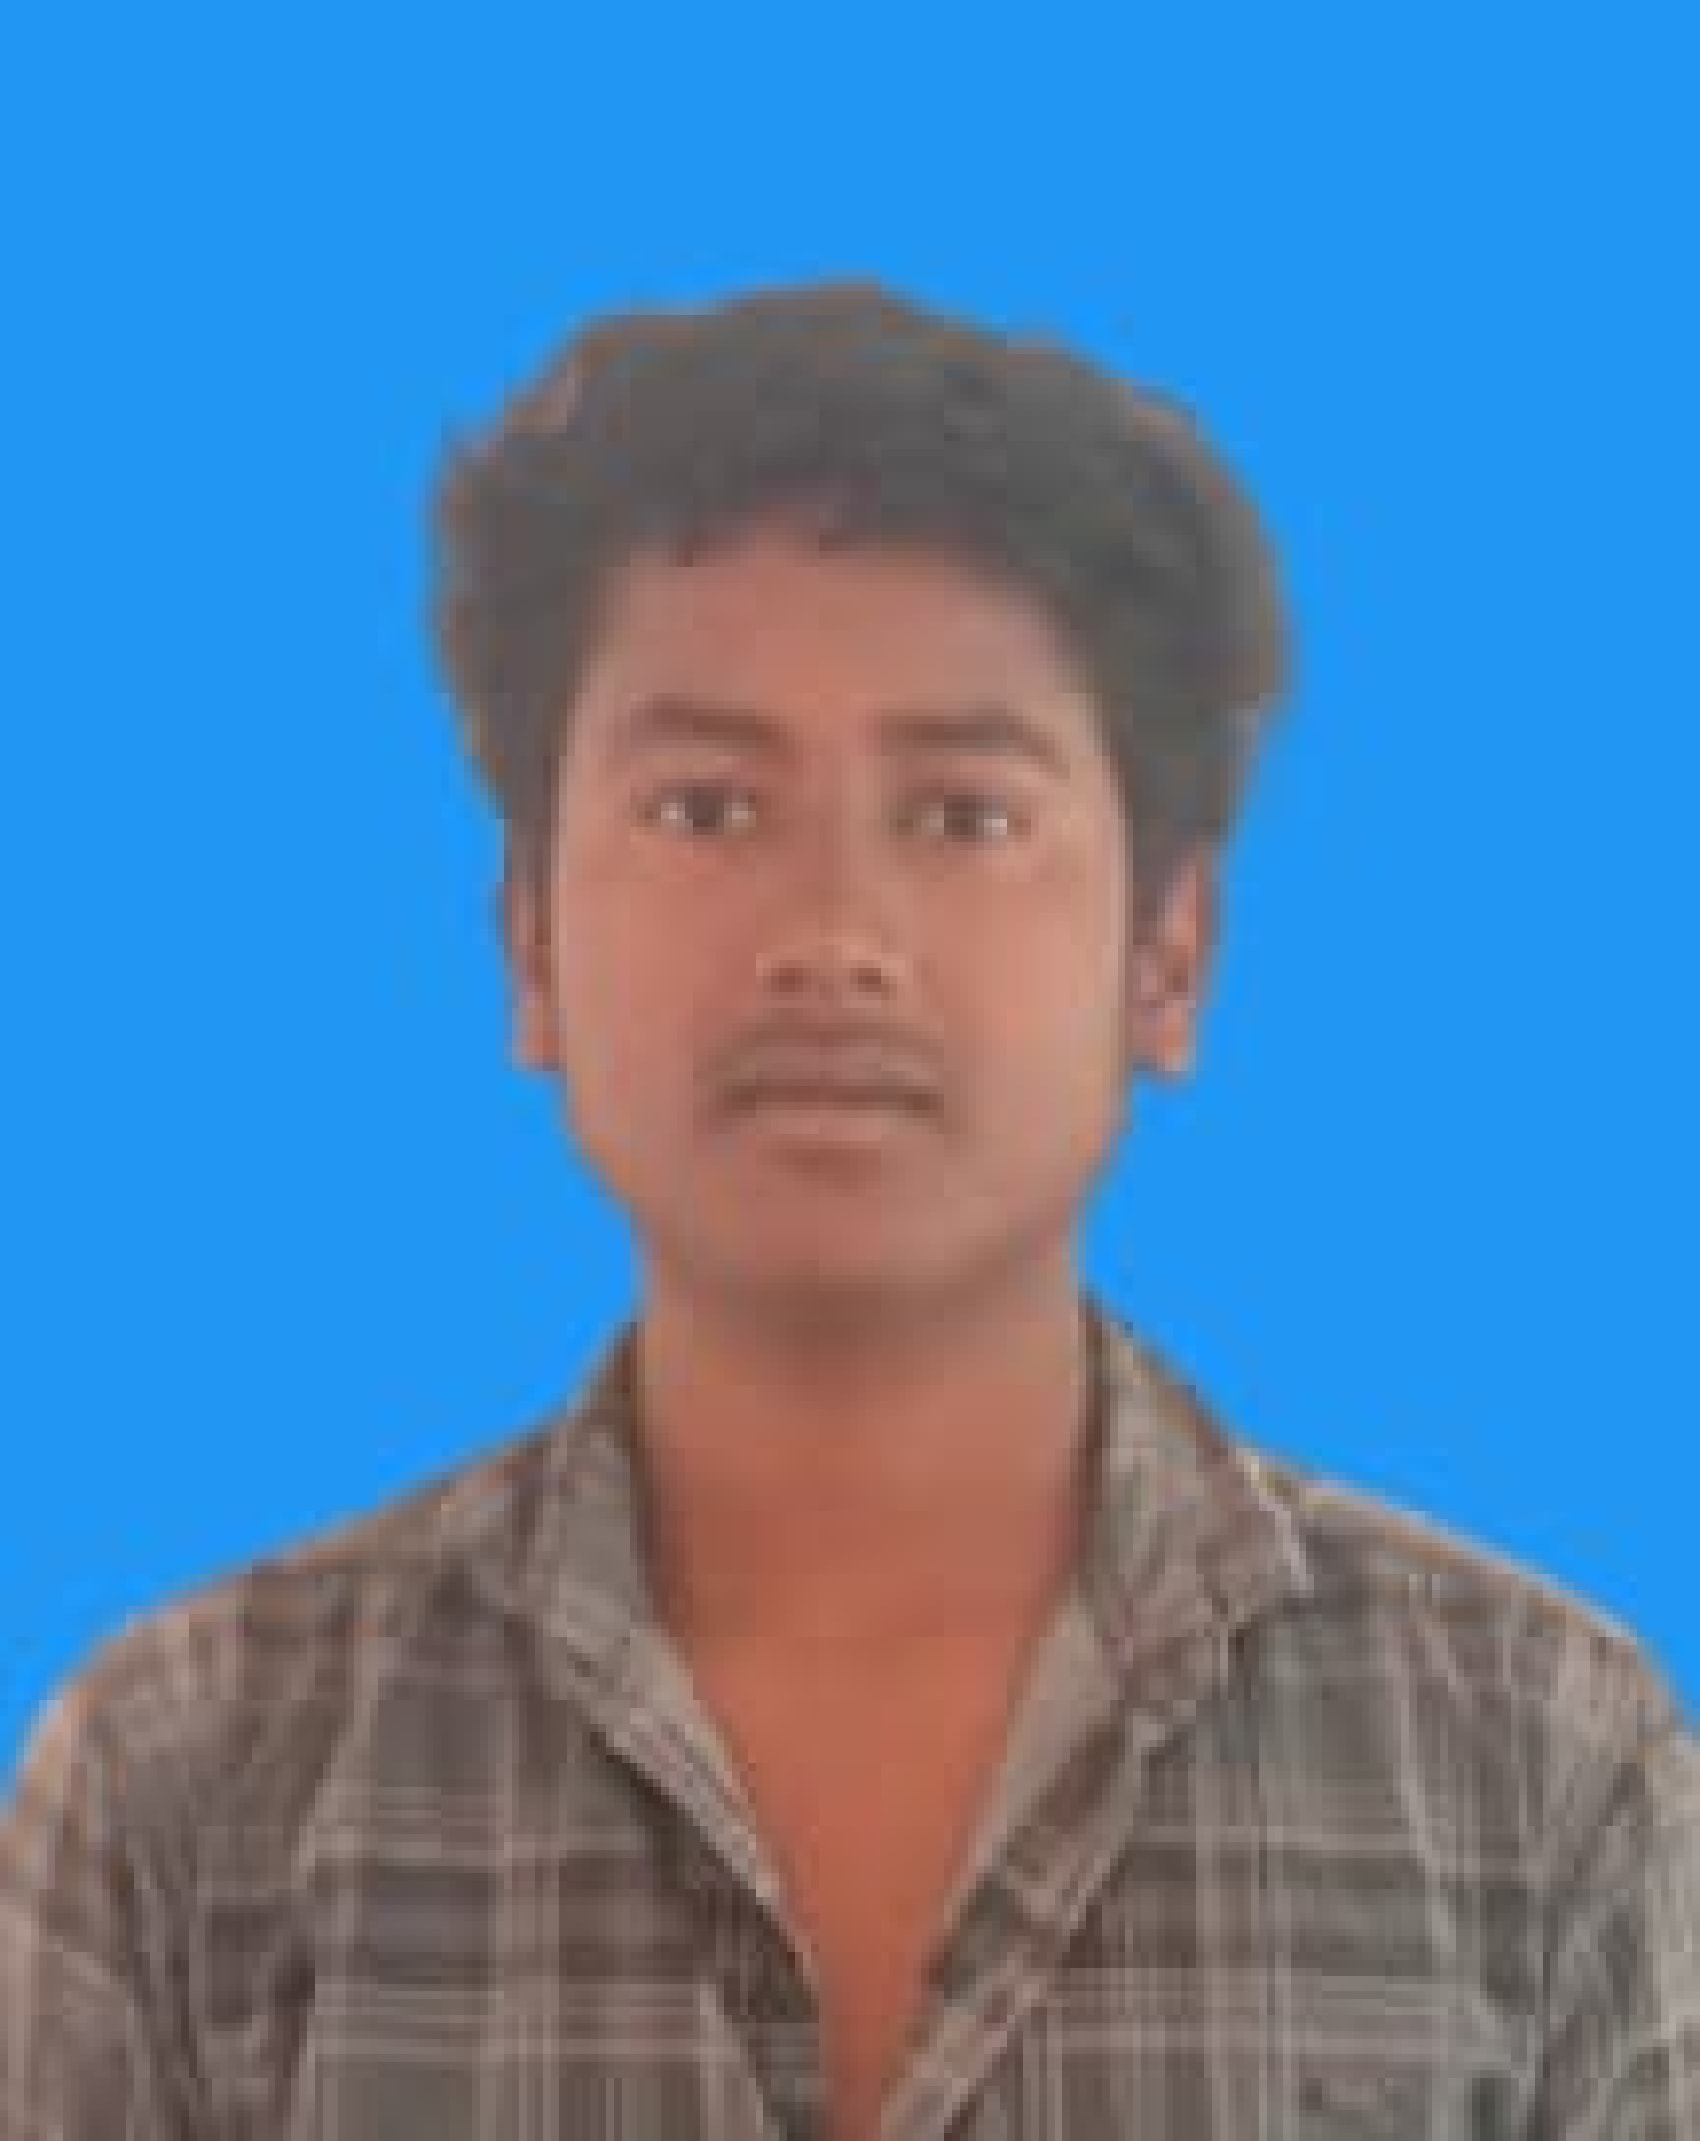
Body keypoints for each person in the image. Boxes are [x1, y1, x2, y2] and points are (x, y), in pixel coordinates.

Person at [4, 282, 1696, 2140]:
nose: (833, 938)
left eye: (965, 815)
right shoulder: (188, 1784)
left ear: (1171, 951)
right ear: (530, 941)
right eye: (707, 807)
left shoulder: (1542, 1771)